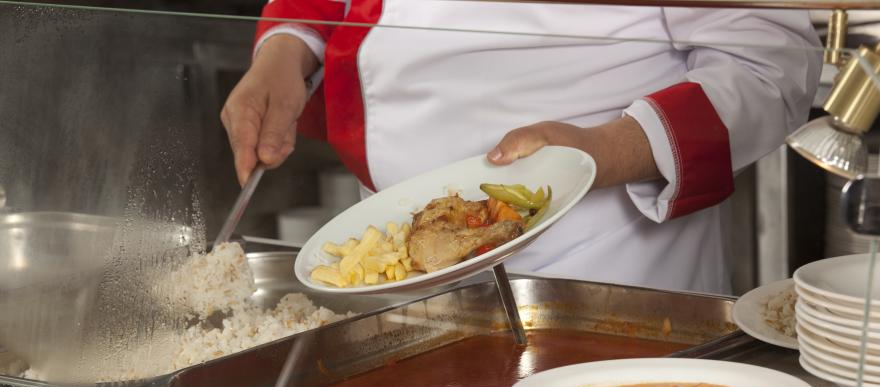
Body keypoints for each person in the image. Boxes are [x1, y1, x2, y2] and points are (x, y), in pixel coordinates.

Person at [221, 1, 821, 294]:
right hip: (391, 265)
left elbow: (769, 64)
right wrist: (285, 52)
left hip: (599, 264)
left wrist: (605, 151)